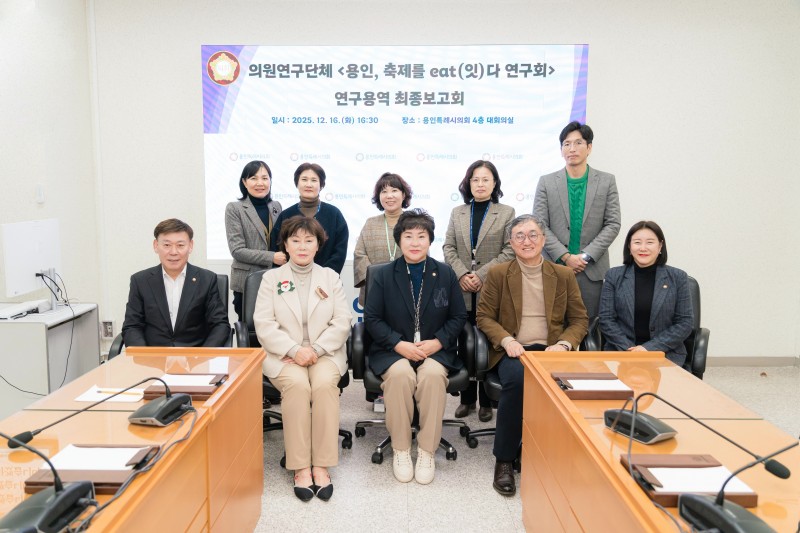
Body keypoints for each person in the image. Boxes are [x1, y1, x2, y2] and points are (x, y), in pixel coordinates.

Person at [476, 214, 588, 497]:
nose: (527, 241)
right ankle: (504, 459)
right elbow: (484, 316)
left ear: (543, 239)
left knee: (563, 386)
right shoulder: (499, 273)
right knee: (518, 381)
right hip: (514, 350)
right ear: (511, 243)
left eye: (532, 235)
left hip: (552, 349)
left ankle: (545, 452)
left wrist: (564, 344)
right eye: (520, 236)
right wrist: (506, 340)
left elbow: (579, 320)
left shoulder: (562, 274)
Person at [364, 209, 467, 485]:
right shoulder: (384, 274)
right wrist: (399, 344)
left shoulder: (445, 273)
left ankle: (426, 451)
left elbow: (458, 316)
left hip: (435, 348)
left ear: (430, 240)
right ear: (399, 240)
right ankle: (400, 449)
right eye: (408, 236)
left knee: (432, 376)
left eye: (421, 236)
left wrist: (438, 342)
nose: (415, 242)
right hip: (393, 349)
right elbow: (372, 319)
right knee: (400, 375)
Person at [254, 216, 351, 502]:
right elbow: (264, 324)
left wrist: (316, 350)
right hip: (284, 354)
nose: (302, 246)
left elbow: (342, 321)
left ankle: (321, 465)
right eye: (295, 240)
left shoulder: (330, 277)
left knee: (323, 386)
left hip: (325, 352)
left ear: (318, 245)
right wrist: (294, 350)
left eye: (309, 240)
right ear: (285, 245)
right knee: (297, 386)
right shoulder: (271, 279)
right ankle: (300, 467)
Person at [443, 160, 515, 423]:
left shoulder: (506, 212)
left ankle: (486, 401)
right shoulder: (458, 212)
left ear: (494, 183)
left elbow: (509, 249)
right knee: (464, 343)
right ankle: (466, 399)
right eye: (475, 179)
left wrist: (481, 275)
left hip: (491, 287)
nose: (480, 184)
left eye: (486, 179)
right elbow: (448, 247)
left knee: (488, 342)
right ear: (468, 183)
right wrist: (462, 274)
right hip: (461, 288)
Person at [533, 121, 621, 320]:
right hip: (554, 267)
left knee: (589, 327)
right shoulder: (546, 182)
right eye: (566, 144)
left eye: (578, 143)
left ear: (589, 147)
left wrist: (584, 257)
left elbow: (613, 223)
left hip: (591, 271)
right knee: (552, 326)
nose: (571, 148)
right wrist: (565, 256)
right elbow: (539, 225)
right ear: (561, 150)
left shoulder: (606, 181)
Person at [122, 218, 230, 347]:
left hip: (194, 356)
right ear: (156, 246)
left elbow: (220, 325)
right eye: (167, 245)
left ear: (190, 246)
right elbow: (132, 326)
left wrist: (203, 355)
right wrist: (144, 355)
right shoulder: (140, 281)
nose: (173, 252)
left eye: (180, 245)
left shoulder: (207, 279)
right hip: (154, 356)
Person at [598, 220, 693, 366]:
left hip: (665, 353)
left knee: (661, 380)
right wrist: (630, 350)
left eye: (650, 242)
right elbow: (606, 319)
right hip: (621, 350)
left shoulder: (678, 277)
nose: (643, 248)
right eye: (637, 242)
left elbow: (684, 323)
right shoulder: (613, 276)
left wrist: (648, 348)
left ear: (660, 246)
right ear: (629, 246)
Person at [225, 160, 285, 321]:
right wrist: (272, 257)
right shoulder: (234, 209)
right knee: (249, 329)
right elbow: (237, 250)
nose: (260, 183)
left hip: (276, 279)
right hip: (247, 281)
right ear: (244, 182)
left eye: (265, 178)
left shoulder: (276, 206)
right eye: (253, 178)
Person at [270, 163, 348, 274]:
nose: (309, 184)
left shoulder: (334, 214)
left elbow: (339, 252)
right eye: (304, 179)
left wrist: (324, 275)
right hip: (290, 278)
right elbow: (277, 250)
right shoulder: (286, 215)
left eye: (314, 180)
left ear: (321, 185)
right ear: (297, 183)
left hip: (326, 278)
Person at [353, 172, 413, 306]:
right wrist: (377, 280)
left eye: (394, 190)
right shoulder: (370, 223)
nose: (389, 196)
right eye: (384, 191)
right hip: (374, 290)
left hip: (408, 290)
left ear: (403, 195)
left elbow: (422, 256)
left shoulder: (414, 223)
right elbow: (359, 254)